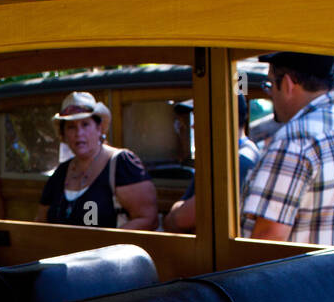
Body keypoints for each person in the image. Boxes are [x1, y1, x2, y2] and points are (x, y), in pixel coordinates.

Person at [241, 52, 334, 244]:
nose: (270, 94)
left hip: (301, 273)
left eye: (270, 85)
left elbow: (268, 238)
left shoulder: (296, 140)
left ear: (288, 84)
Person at [35, 92, 158, 229]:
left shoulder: (121, 164)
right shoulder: (61, 172)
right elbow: (41, 221)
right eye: (71, 127)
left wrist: (107, 246)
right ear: (63, 134)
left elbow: (148, 219)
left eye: (85, 124)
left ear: (99, 128)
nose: (79, 133)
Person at [161, 95, 259, 233]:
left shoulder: (237, 162)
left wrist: (177, 211)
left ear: (221, 116)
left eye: (200, 116)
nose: (193, 126)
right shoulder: (220, 158)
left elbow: (180, 220)